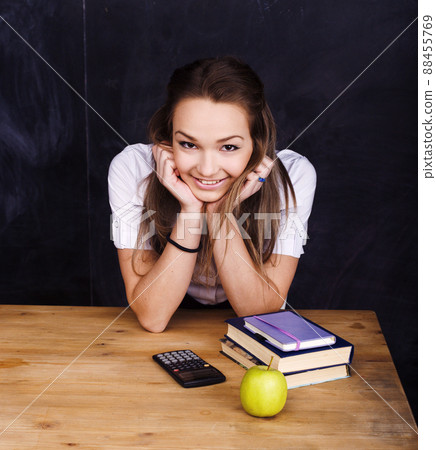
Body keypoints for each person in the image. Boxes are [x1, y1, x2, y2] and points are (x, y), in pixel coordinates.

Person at [108, 56, 316, 332]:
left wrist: (220, 212)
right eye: (188, 144)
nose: (207, 170)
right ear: (168, 139)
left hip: (252, 327)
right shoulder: (133, 169)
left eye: (228, 147)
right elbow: (153, 317)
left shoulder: (293, 175)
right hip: (173, 320)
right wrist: (191, 211)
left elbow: (260, 315)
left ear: (256, 143)